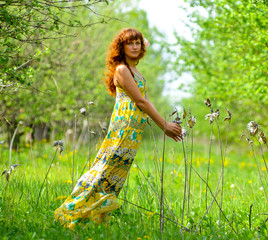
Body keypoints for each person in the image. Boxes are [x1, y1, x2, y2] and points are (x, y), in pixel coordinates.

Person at [54, 28, 182, 229]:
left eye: (137, 43)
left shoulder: (137, 72)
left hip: (133, 134)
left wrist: (164, 123)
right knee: (104, 169)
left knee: (116, 176)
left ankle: (97, 218)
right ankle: (70, 211)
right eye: (129, 43)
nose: (134, 46)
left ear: (142, 47)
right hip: (122, 131)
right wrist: (164, 125)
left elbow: (147, 102)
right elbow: (140, 101)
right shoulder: (122, 70)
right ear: (121, 47)